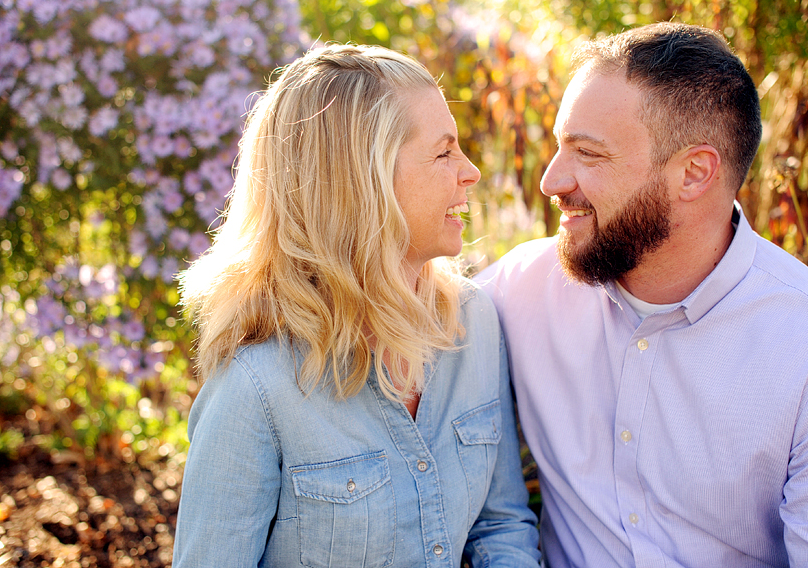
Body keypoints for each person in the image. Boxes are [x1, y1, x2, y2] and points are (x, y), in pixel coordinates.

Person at [477, 22, 808, 567]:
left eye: (588, 154)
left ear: (693, 173)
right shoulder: (522, 288)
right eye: (559, 146)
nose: (551, 181)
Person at [173, 44, 541, 567]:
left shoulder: (474, 321)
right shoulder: (256, 387)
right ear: (361, 182)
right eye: (443, 152)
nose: (472, 172)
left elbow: (499, 523)